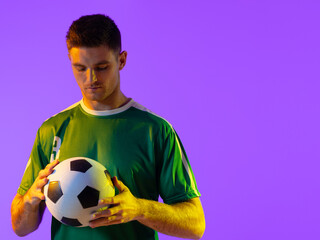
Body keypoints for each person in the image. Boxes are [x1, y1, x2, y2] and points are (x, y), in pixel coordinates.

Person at [11, 14, 205, 240]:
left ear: (121, 60)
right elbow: (20, 227)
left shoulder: (155, 130)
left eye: (102, 67)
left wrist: (140, 209)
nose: (90, 78)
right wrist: (30, 200)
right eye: (80, 68)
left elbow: (195, 224)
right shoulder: (52, 129)